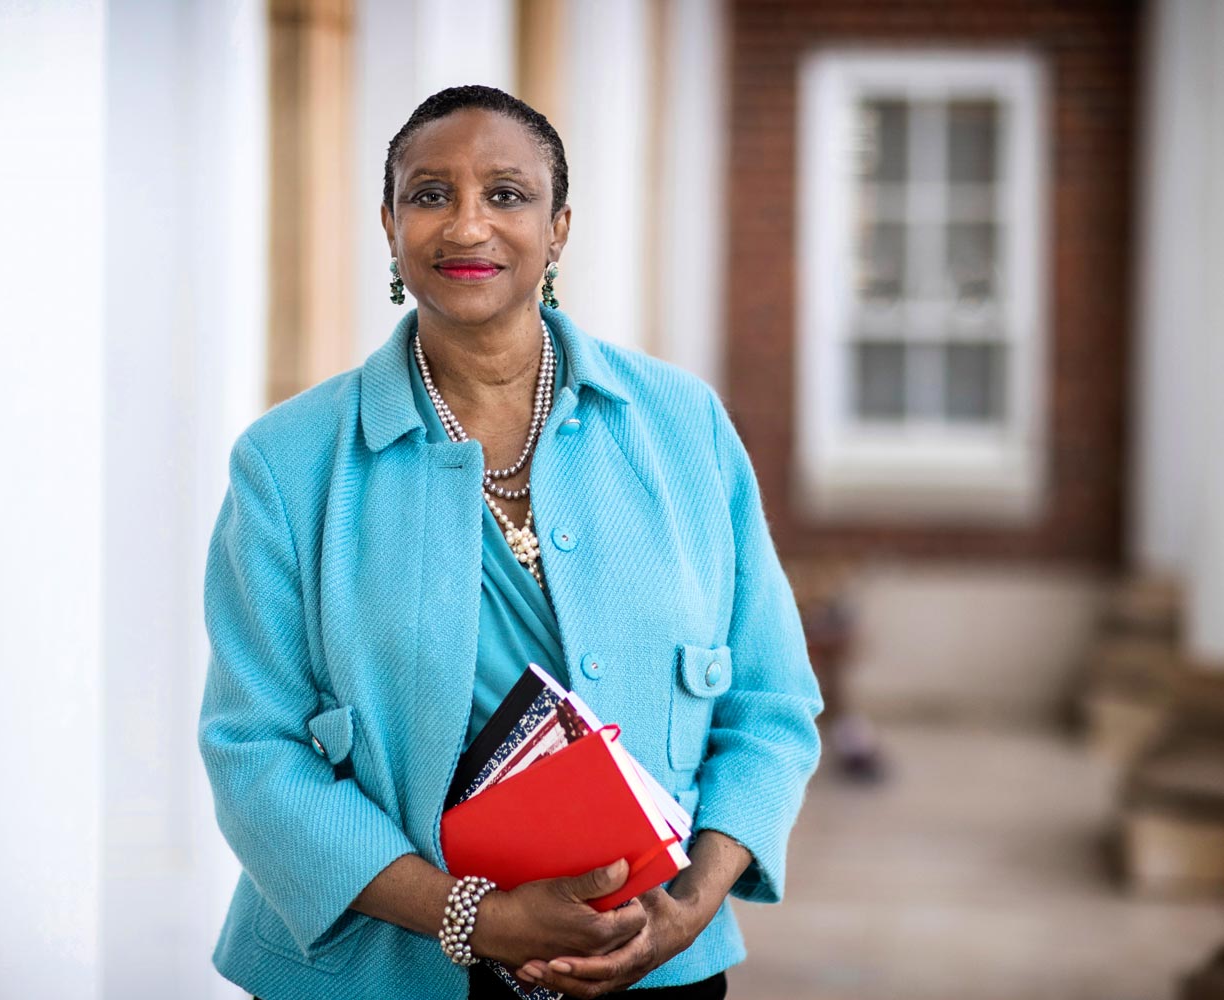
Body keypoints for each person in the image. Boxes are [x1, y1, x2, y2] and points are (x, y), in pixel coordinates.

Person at [198, 85, 824, 1000]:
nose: (466, 226)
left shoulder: (681, 425)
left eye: (506, 194)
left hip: (656, 963)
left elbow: (772, 705)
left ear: (559, 228)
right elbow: (255, 753)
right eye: (428, 195)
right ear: (388, 223)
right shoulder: (288, 465)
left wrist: (688, 908)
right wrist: (474, 918)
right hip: (375, 972)